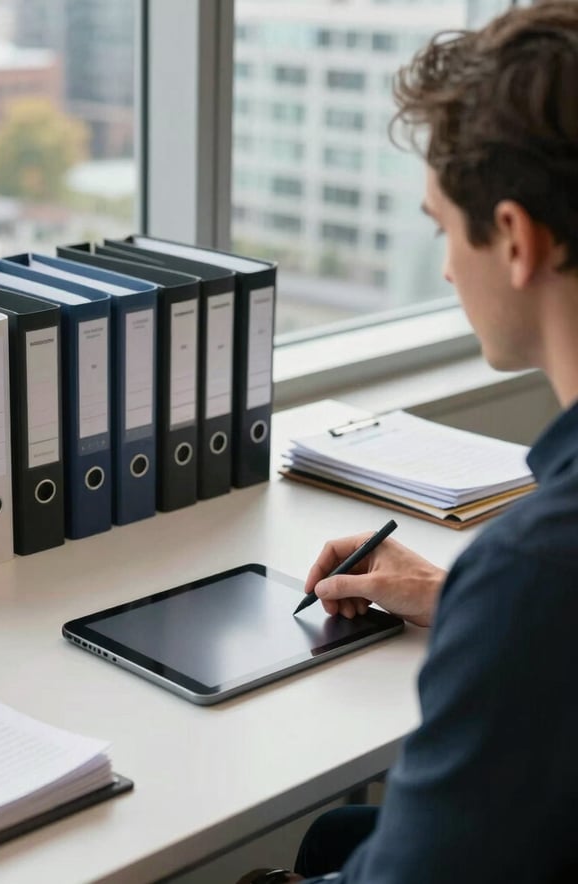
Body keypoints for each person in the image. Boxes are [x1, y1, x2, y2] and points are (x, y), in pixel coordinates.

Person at [238, 2, 578, 882]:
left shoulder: (537, 571)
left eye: (441, 228)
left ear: (515, 240)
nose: (446, 267)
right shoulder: (530, 575)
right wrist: (465, 597)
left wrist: (501, 604)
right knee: (334, 840)